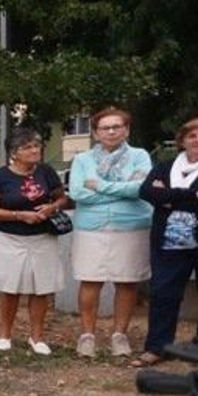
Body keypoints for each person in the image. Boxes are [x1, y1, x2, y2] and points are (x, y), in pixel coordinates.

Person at [67, 108, 152, 358]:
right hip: (91, 227)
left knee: (127, 280)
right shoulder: (83, 160)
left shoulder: (140, 156)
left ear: (127, 130)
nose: (111, 131)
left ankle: (119, 335)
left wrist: (100, 186)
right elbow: (78, 193)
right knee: (90, 279)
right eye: (105, 127)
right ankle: (87, 336)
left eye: (117, 126)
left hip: (131, 224)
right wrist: (121, 190)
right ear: (95, 133)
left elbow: (140, 188)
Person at [0, 127, 70, 355]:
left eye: (37, 145)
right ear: (14, 152)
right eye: (27, 147)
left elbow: (62, 198)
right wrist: (19, 215)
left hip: (42, 237)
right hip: (10, 238)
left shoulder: (46, 172)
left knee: (41, 288)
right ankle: (4, 334)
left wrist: (53, 207)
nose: (34, 150)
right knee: (11, 287)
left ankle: (36, 337)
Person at [137, 113, 198, 367]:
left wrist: (170, 197)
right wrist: (195, 195)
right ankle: (158, 348)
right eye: (192, 135)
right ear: (182, 140)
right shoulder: (165, 167)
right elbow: (147, 192)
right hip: (167, 242)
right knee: (163, 293)